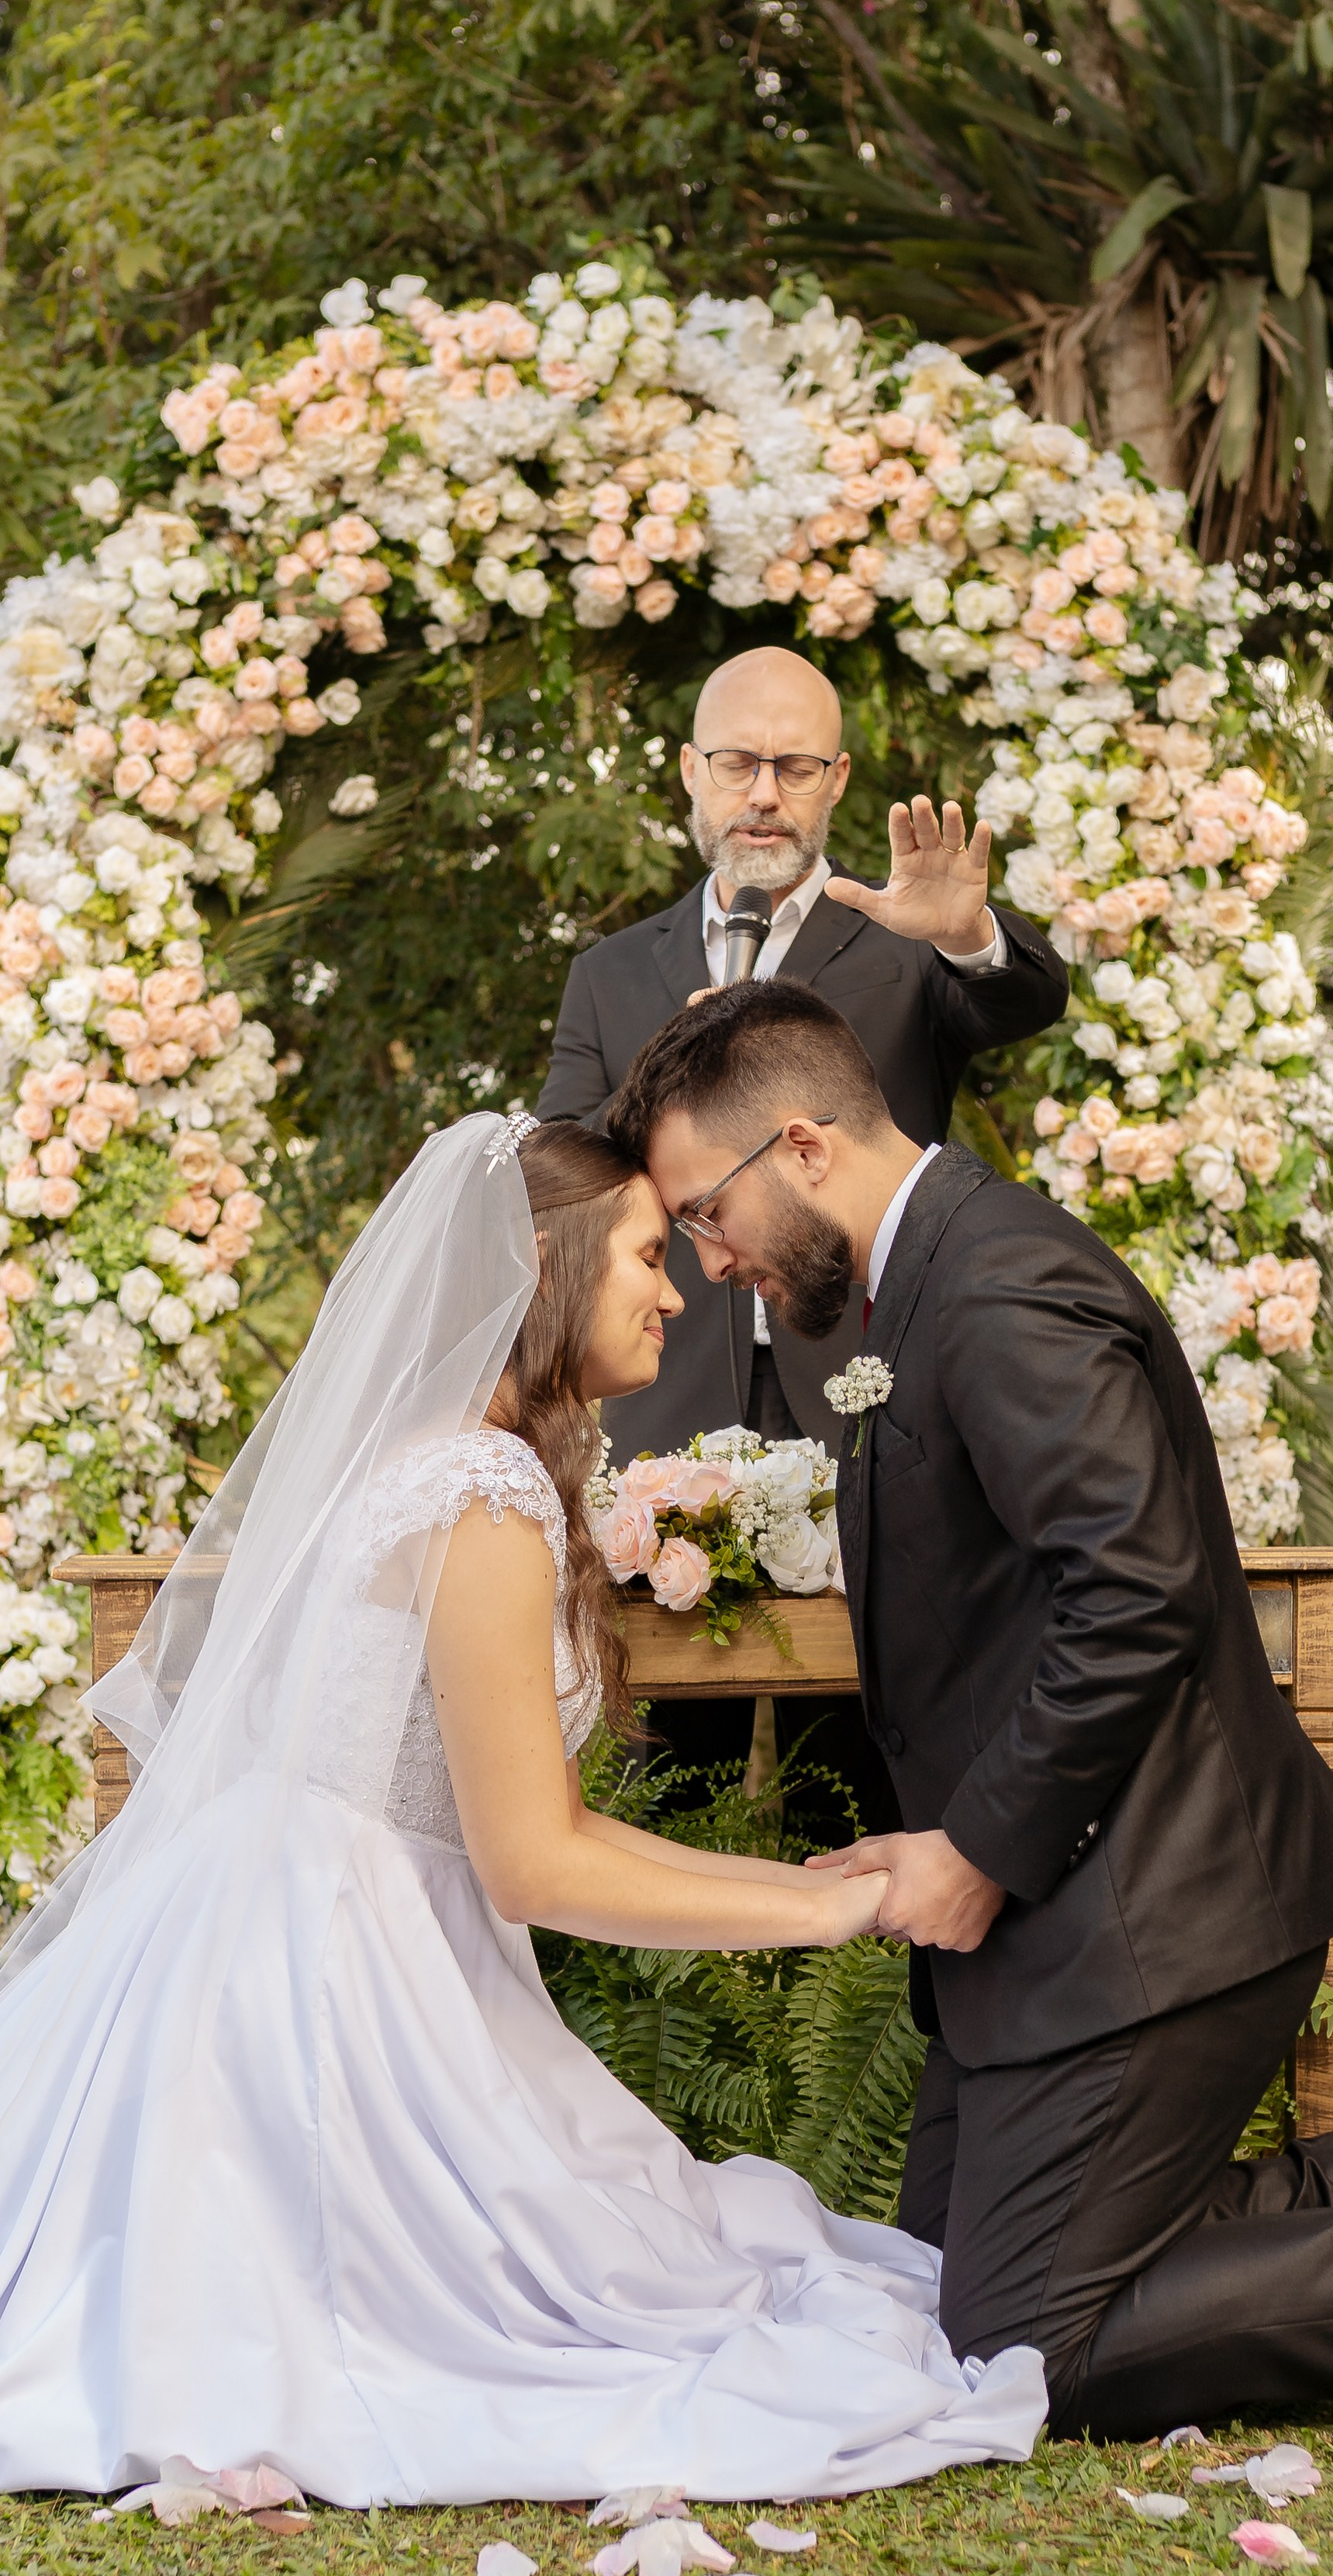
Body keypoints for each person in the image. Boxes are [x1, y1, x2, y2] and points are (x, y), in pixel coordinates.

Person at [0, 1115, 1045, 2509]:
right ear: (548, 1265)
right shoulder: (481, 1492)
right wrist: (831, 1911)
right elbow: (531, 1862)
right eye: (650, 1251)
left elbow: (546, 1818)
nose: (678, 1286)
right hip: (330, 1983)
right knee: (545, 2312)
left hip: (329, 1916)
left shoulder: (457, 1461)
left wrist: (829, 1888)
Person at [607, 982, 1333, 2450]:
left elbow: (1141, 1590)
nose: (709, 1259)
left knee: (1024, 2350)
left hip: (1163, 1905)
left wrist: (975, 1848)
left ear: (798, 1146)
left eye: (704, 1213)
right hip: (1060, 1922)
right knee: (931, 2283)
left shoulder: (995, 1288)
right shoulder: (903, 1288)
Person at [537, 642, 1068, 1833]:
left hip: (876, 1404)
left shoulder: (901, 939)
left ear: (836, 780)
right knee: (670, 1768)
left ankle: (886, 2000)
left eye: (793, 766)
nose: (762, 792)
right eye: (737, 762)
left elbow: (1021, 1002)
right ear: (689, 771)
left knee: (879, 1749)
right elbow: (560, 1162)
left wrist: (969, 937)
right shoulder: (614, 974)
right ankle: (694, 2005)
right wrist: (665, 1087)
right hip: (672, 1418)